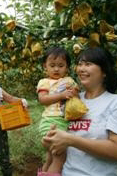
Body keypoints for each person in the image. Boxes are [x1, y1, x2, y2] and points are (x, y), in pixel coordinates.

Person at [42, 47, 117, 176]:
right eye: (80, 64)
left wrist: (71, 140)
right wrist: (49, 140)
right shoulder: (71, 98)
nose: (81, 69)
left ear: (104, 71)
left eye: (88, 64)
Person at [36, 47, 79, 175]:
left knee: (51, 155)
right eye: (52, 65)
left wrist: (73, 92)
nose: (56, 69)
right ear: (45, 66)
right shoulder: (45, 82)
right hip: (50, 122)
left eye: (61, 66)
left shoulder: (70, 81)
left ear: (67, 67)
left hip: (64, 122)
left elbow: (77, 98)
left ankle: (43, 173)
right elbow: (42, 99)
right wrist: (61, 95)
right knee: (60, 157)